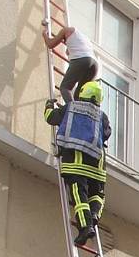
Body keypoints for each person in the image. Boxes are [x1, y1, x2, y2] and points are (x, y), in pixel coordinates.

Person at [44, 80, 111, 246]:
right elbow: (107, 133)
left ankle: (85, 226)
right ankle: (94, 214)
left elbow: (51, 118)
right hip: (97, 163)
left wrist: (48, 106)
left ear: (83, 93)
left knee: (79, 195)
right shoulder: (102, 116)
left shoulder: (71, 108)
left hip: (76, 162)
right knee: (97, 194)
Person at [41, 21, 99, 104]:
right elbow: (70, 52)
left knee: (65, 88)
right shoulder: (83, 39)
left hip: (82, 59)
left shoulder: (65, 30)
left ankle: (73, 110)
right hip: (94, 65)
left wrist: (44, 34)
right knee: (78, 95)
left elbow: (50, 44)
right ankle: (80, 111)